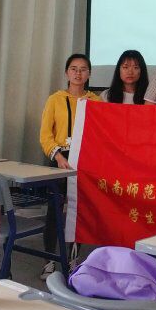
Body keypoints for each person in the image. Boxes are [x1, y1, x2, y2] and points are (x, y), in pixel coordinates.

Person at [39, 53, 102, 279]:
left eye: (83, 69)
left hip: (85, 161)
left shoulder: (96, 101)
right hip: (60, 160)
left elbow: (102, 133)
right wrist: (58, 156)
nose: (78, 73)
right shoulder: (55, 99)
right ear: (67, 73)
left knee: (80, 212)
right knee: (54, 211)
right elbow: (45, 135)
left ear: (89, 74)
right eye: (74, 69)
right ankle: (48, 260)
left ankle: (73, 259)